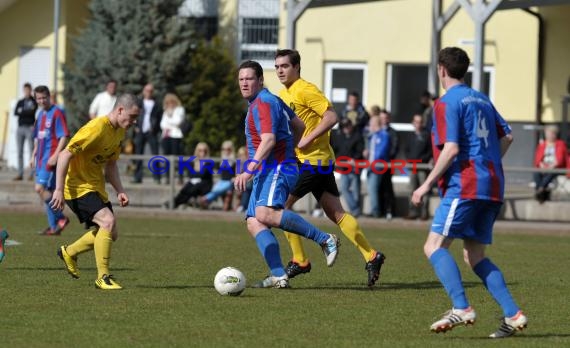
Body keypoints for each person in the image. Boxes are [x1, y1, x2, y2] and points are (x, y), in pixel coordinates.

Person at [411, 47, 527, 338]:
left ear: (441, 70)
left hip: (466, 183)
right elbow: (508, 136)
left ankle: (461, 307)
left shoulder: (446, 102)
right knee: (474, 255)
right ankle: (513, 314)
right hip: (493, 183)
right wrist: (488, 161)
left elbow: (451, 148)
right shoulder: (482, 98)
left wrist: (425, 185)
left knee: (434, 246)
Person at [275, 49, 385, 287]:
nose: (280, 70)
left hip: (314, 161)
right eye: (277, 67)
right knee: (335, 213)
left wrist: (306, 139)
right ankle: (371, 255)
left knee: (279, 208)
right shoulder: (284, 94)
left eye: (285, 66)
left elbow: (331, 117)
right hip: (315, 160)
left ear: (296, 67)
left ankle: (300, 260)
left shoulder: (305, 89)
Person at [234, 60, 340, 289]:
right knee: (254, 222)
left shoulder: (263, 102)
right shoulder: (270, 100)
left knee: (266, 213)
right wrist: (294, 144)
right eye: (241, 79)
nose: (244, 83)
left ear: (260, 80)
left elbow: (269, 140)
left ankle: (325, 239)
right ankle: (279, 274)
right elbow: (299, 124)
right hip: (269, 169)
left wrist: (248, 169)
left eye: (249, 78)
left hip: (278, 167)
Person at [51, 93, 140, 290]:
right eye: (132, 116)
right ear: (119, 110)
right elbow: (65, 155)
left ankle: (69, 252)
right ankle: (103, 277)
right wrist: (58, 189)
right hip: (77, 188)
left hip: (95, 187)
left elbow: (111, 166)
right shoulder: (96, 128)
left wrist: (120, 190)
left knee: (110, 233)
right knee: (108, 222)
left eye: (136, 118)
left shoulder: (118, 132)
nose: (134, 121)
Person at [30, 86, 70, 236]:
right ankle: (54, 227)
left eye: (44, 98)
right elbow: (38, 137)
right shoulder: (40, 114)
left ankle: (61, 218)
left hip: (50, 158)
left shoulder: (57, 112)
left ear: (49, 97)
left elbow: (64, 136)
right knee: (49, 192)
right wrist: (33, 154)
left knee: (39, 189)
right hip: (40, 159)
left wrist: (56, 155)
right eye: (38, 98)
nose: (41, 101)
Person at [331, 118, 365, 217]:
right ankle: (355, 210)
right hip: (344, 168)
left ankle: (356, 211)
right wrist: (336, 159)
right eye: (344, 126)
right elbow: (335, 149)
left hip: (355, 167)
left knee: (356, 190)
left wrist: (355, 158)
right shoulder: (339, 137)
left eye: (347, 126)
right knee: (344, 188)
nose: (346, 128)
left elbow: (360, 150)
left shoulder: (357, 136)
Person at [132, 83, 163, 184]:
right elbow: (133, 115)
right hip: (140, 131)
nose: (149, 93)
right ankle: (137, 177)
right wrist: (135, 127)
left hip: (151, 132)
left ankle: (157, 178)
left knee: (155, 155)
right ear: (143, 91)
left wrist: (155, 129)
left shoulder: (157, 104)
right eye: (147, 90)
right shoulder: (139, 103)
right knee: (138, 154)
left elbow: (159, 119)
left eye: (150, 91)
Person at [167, 142, 213, 209]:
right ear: (197, 151)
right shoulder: (193, 161)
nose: (202, 153)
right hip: (194, 183)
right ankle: (174, 202)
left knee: (192, 188)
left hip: (205, 185)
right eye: (200, 151)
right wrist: (197, 175)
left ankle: (175, 203)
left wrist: (196, 174)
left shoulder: (209, 162)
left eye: (204, 151)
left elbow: (203, 175)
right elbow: (190, 175)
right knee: (186, 188)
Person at [404, 114, 432, 220]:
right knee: (411, 190)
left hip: (422, 167)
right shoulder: (410, 136)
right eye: (416, 122)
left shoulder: (426, 135)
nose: (418, 124)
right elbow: (406, 150)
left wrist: (422, 160)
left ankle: (424, 213)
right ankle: (412, 212)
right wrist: (410, 160)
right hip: (412, 167)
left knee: (424, 190)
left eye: (420, 122)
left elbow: (430, 151)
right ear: (413, 123)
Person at [363, 115, 390, 218]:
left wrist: (374, 162)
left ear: (375, 124)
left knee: (372, 188)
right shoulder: (371, 136)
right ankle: (375, 209)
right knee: (371, 189)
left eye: (371, 123)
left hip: (377, 166)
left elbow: (382, 151)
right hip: (370, 165)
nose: (370, 126)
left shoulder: (384, 135)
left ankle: (376, 211)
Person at [533, 125, 568, 203]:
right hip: (544, 166)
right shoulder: (542, 145)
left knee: (550, 173)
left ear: (555, 134)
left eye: (550, 133)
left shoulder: (560, 144)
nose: (548, 135)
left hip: (556, 167)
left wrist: (551, 166)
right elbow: (538, 158)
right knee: (536, 173)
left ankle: (540, 190)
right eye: (547, 133)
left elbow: (560, 160)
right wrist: (541, 165)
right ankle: (542, 191)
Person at [199, 140, 236, 211]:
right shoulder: (221, 160)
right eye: (224, 149)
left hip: (230, 182)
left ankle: (205, 198)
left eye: (228, 149)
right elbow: (218, 173)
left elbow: (237, 174)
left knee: (223, 188)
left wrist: (234, 178)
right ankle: (206, 201)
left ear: (231, 150)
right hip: (222, 181)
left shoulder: (234, 161)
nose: (226, 151)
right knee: (217, 188)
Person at [13, 82, 37, 181]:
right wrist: (25, 111)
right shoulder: (20, 101)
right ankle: (20, 174)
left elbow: (32, 111)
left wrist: (22, 111)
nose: (26, 92)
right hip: (20, 128)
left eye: (28, 90)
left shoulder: (34, 101)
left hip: (30, 127)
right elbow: (15, 112)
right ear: (23, 90)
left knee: (32, 151)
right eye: (25, 90)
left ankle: (32, 174)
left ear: (31, 90)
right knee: (19, 151)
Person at [160, 93, 185, 184]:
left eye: (171, 102)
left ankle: (180, 177)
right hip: (166, 137)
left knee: (178, 158)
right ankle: (167, 177)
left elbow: (178, 122)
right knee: (167, 158)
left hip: (176, 136)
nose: (170, 104)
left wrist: (169, 122)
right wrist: (170, 123)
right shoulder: (165, 111)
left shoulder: (180, 110)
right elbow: (162, 125)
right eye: (168, 102)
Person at [378, 109, 398, 220]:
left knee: (387, 188)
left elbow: (395, 148)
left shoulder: (392, 132)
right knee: (378, 188)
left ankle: (390, 210)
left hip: (387, 165)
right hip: (376, 165)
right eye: (381, 118)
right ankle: (379, 211)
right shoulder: (377, 131)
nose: (383, 120)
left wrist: (386, 159)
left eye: (385, 118)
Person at [234, 146, 253, 213]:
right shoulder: (238, 163)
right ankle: (242, 206)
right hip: (243, 181)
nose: (241, 156)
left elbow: (252, 176)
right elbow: (237, 174)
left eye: (243, 154)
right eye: (240, 155)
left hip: (249, 181)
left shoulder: (250, 162)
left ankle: (244, 206)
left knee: (248, 186)